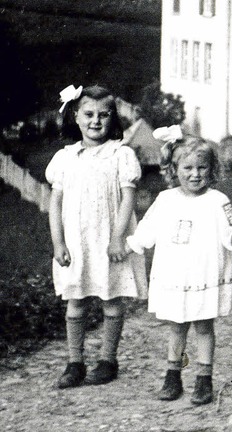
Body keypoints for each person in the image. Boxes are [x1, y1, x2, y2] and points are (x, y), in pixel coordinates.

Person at [124, 127, 232, 405]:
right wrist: (132, 244)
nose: (195, 174)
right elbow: (148, 228)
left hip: (204, 274)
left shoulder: (218, 201)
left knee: (203, 326)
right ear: (174, 169)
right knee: (176, 326)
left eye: (202, 168)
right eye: (188, 168)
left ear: (211, 170)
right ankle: (173, 375)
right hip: (175, 274)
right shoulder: (166, 200)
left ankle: (203, 379)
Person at [46, 84, 148, 389]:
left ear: (112, 119)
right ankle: (74, 362)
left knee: (111, 300)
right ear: (76, 116)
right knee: (75, 301)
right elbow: (56, 202)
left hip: (108, 240)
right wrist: (58, 242)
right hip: (77, 242)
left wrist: (118, 238)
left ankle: (107, 360)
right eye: (89, 114)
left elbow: (128, 199)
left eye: (104, 115)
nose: (96, 121)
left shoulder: (121, 154)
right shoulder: (65, 158)